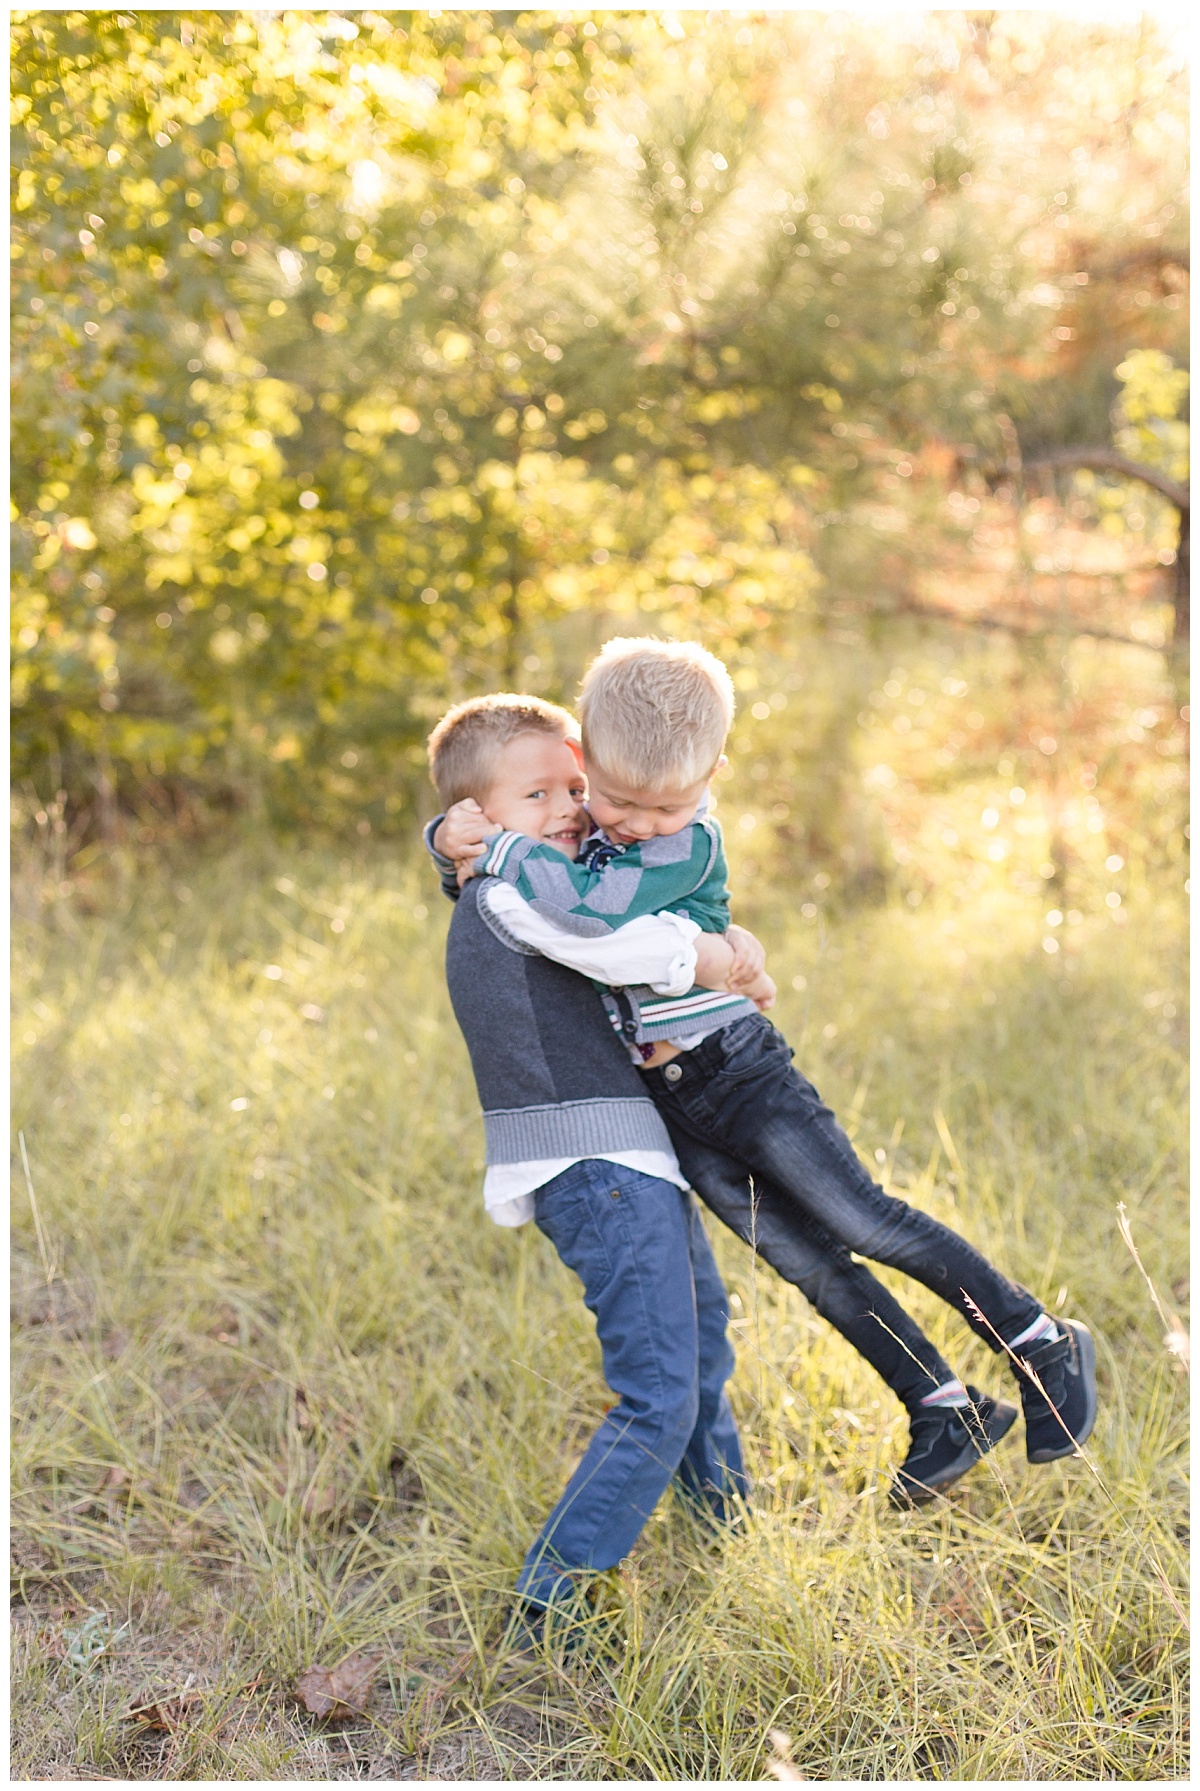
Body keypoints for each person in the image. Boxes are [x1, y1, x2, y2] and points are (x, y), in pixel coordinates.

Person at [428, 640, 1098, 1506]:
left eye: (662, 806)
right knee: (804, 1261)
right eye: (618, 799)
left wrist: (496, 851)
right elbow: (505, 867)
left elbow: (574, 903)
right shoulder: (586, 815)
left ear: (709, 774)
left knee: (865, 1218)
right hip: (671, 1105)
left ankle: (1037, 1338)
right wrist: (448, 835)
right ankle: (943, 1406)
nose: (634, 823)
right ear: (586, 764)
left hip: (737, 1072)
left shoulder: (687, 845)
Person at [425, 694, 747, 1652]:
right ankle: (549, 1597)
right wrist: (711, 953)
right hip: (596, 1160)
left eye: (575, 783)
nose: (571, 806)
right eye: (541, 792)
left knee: (699, 1343)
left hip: (629, 1157)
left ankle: (725, 1526)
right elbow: (616, 944)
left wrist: (449, 831)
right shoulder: (513, 891)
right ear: (482, 822)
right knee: (659, 1387)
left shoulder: (529, 870)